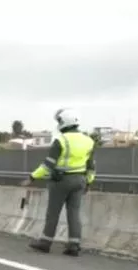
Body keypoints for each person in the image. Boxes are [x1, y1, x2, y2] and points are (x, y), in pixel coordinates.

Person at [20, 108, 96, 256]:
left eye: (59, 121)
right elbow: (91, 165)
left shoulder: (61, 140)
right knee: (74, 212)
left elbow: (47, 165)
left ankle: (45, 242)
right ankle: (74, 245)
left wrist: (32, 177)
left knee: (53, 212)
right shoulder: (89, 141)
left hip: (61, 180)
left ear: (64, 122)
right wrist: (89, 182)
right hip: (80, 180)